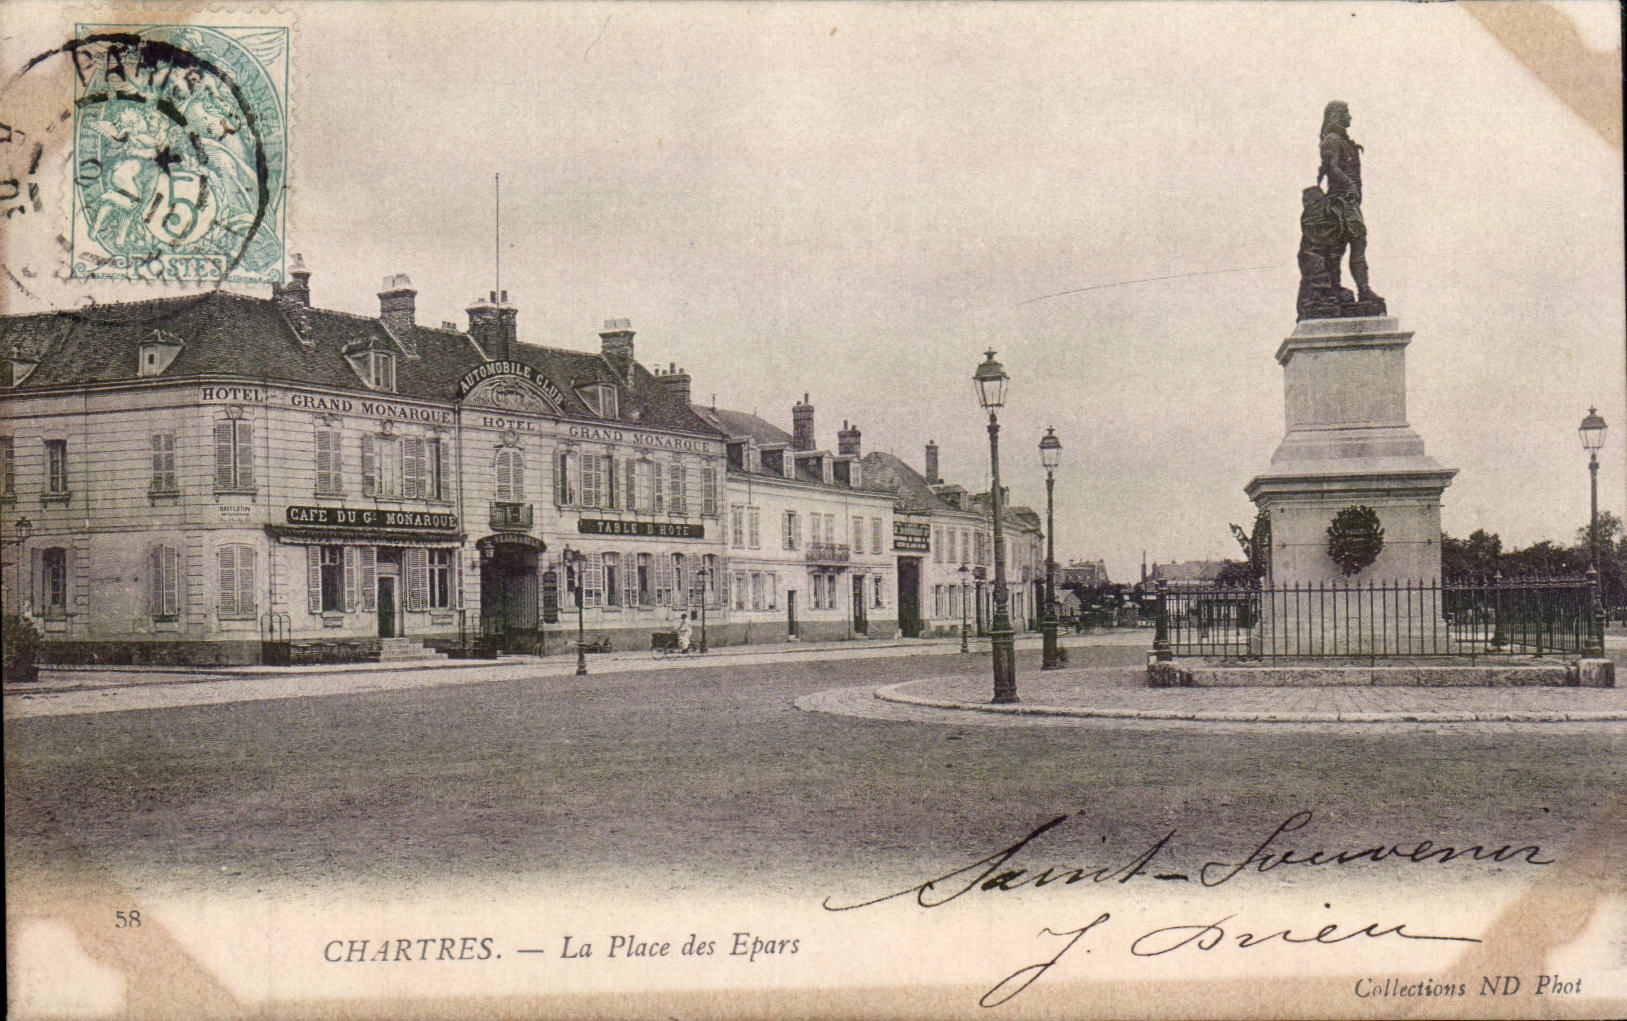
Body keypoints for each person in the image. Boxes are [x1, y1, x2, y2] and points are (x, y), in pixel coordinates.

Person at [1316, 101, 1383, 308]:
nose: (1350, 116)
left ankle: (1361, 288)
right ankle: (1338, 288)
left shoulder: (1343, 141)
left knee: (1354, 243)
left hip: (1349, 201)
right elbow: (1332, 167)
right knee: (1342, 245)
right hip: (1340, 201)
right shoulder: (1332, 140)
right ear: (1335, 115)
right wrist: (1349, 184)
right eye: (1346, 112)